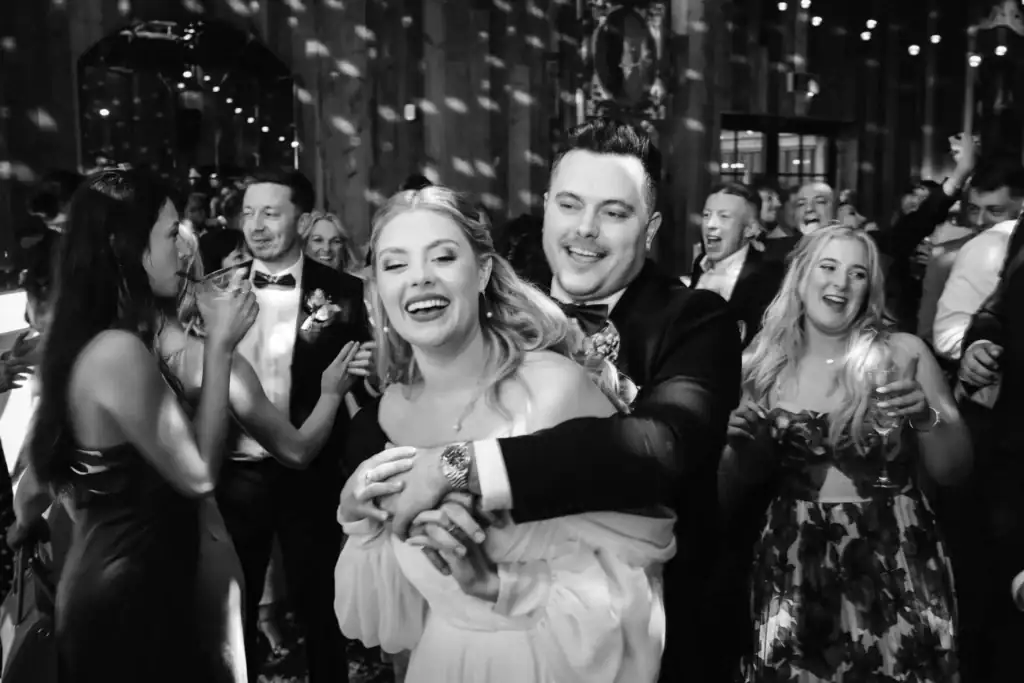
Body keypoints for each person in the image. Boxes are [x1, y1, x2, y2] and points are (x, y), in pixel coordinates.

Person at [351, 119, 741, 682]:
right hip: (489, 628)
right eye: (570, 204)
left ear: (651, 228)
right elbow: (390, 414)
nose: (585, 230)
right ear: (546, 207)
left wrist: (457, 466)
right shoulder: (488, 298)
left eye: (614, 212)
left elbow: (662, 448)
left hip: (649, 631)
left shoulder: (697, 319)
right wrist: (369, 480)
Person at [16, 168, 257, 682]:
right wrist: (219, 347)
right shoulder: (116, 350)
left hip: (131, 579)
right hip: (128, 595)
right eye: (170, 234)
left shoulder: (94, 339)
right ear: (122, 245)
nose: (183, 249)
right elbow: (198, 477)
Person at [722, 224, 969, 681]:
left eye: (857, 274)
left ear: (870, 289)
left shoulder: (904, 353)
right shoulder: (760, 364)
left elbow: (953, 470)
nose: (840, 283)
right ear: (801, 275)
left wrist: (925, 418)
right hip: (795, 556)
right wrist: (741, 444)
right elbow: (730, 489)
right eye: (829, 267)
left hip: (895, 551)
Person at [217, 167, 370, 683]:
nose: (256, 225)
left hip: (312, 468)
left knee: (320, 605)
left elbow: (361, 381)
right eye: (249, 213)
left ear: (302, 221)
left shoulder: (343, 292)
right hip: (235, 472)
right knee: (232, 611)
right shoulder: (215, 291)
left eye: (271, 213)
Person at [692, 182, 786, 347]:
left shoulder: (769, 276)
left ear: (749, 229)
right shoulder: (700, 265)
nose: (710, 225)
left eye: (724, 216)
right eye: (707, 215)